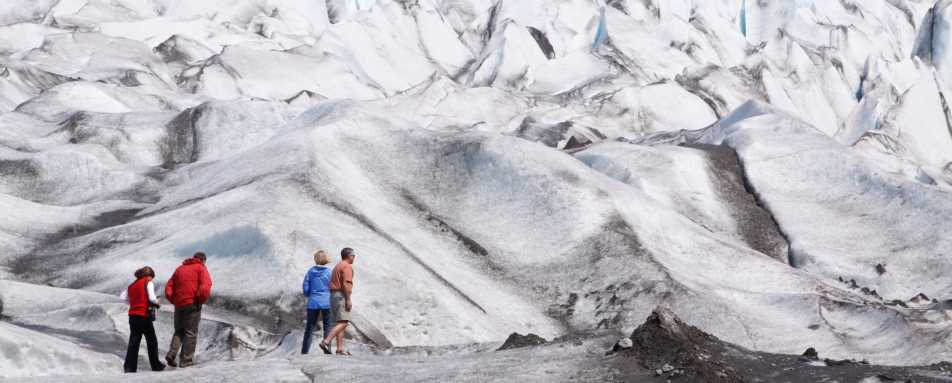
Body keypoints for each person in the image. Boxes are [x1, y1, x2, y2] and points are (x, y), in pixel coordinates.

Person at [164, 252, 212, 368]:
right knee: (190, 332)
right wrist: (200, 300)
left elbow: (168, 288)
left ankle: (171, 354)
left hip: (179, 304)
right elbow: (205, 287)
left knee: (179, 330)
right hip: (192, 303)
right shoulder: (201, 268)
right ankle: (186, 361)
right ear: (203, 260)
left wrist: (174, 300)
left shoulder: (179, 269)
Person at [120, 266, 165, 373]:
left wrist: (133, 303)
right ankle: (156, 365)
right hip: (143, 315)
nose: (152, 280)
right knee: (151, 341)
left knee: (134, 342)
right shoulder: (147, 282)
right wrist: (158, 302)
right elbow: (152, 298)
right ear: (149, 275)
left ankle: (129, 367)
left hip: (133, 316)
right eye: (152, 277)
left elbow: (122, 297)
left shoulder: (132, 285)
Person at [319, 247, 356, 356]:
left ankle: (339, 349)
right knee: (344, 322)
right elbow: (345, 283)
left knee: (340, 322)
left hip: (333, 296)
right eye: (353, 255)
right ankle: (326, 342)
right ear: (349, 256)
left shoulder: (338, 266)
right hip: (341, 296)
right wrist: (348, 299)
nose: (354, 257)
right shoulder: (347, 266)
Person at [301, 250, 334, 355]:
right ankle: (327, 350)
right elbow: (333, 287)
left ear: (316, 259)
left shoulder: (310, 271)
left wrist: (309, 294)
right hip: (326, 302)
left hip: (313, 302)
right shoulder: (329, 272)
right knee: (327, 327)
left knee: (309, 328)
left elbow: (305, 287)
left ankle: (304, 352)